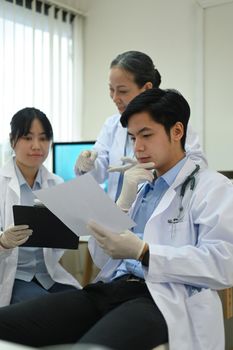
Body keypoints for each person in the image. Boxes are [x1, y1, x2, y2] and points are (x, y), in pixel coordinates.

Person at [0, 89, 232, 350]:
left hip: (160, 298)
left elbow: (224, 265)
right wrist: (121, 203)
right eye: (133, 138)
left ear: (177, 132)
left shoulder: (212, 188)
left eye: (146, 135)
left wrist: (145, 252)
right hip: (109, 290)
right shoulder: (142, 187)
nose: (138, 147)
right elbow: (102, 259)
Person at [75, 50, 207, 201]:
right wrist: (89, 164)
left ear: (146, 88)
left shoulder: (170, 121)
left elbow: (198, 166)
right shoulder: (112, 125)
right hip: (115, 211)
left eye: (123, 91)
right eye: (111, 89)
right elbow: (99, 172)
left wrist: (155, 166)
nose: (115, 98)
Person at [0, 107, 81, 306]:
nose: (37, 146)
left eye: (44, 138)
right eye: (27, 138)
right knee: (47, 309)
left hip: (49, 275)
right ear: (13, 141)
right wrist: (2, 242)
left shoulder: (57, 183)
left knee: (84, 303)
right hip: (14, 276)